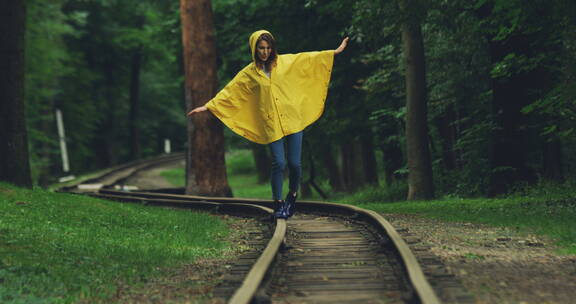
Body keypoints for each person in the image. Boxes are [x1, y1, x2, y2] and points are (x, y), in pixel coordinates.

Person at [188, 30, 348, 219]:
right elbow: (231, 91)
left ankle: (292, 196)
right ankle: (278, 203)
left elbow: (307, 60)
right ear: (254, 49)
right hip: (271, 123)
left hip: (292, 118)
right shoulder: (249, 73)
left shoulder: (284, 62)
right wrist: (208, 106)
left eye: (268, 48)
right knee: (279, 163)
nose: (265, 52)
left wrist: (333, 53)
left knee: (295, 164)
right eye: (261, 48)